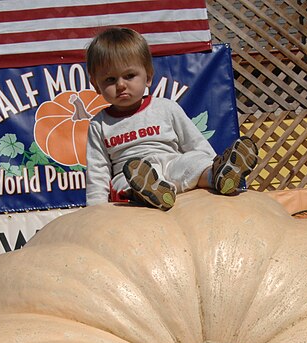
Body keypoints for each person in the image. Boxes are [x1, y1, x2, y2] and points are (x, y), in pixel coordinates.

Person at [84, 27, 258, 211]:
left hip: (171, 162)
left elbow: (194, 142)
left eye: (129, 76)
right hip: (131, 173)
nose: (120, 85)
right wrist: (96, 209)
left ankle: (218, 176)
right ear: (96, 85)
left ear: (148, 77)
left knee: (192, 163)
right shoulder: (99, 124)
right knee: (125, 182)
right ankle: (149, 194)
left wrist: (212, 161)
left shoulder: (166, 108)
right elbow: (98, 171)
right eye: (110, 80)